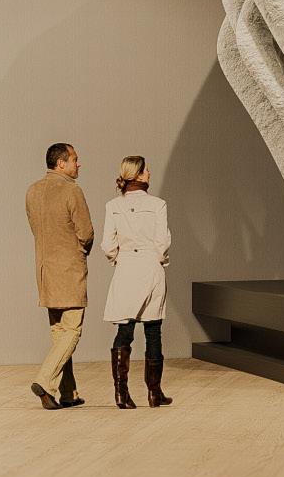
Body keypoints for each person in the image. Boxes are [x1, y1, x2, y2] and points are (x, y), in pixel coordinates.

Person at [24, 142, 93, 410]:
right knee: (72, 330)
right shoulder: (72, 190)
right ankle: (44, 381)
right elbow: (86, 233)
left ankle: (68, 392)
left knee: (59, 333)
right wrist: (80, 251)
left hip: (45, 270)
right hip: (69, 269)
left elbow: (35, 228)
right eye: (75, 159)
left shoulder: (32, 191)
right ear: (61, 163)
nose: (79, 163)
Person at [102, 155, 173, 408]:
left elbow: (107, 245)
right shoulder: (158, 204)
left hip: (126, 269)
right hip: (150, 267)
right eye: (147, 170)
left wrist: (120, 260)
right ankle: (154, 393)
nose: (150, 173)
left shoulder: (113, 205)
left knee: (125, 329)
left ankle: (121, 394)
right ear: (140, 174)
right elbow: (162, 242)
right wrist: (155, 259)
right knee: (153, 330)